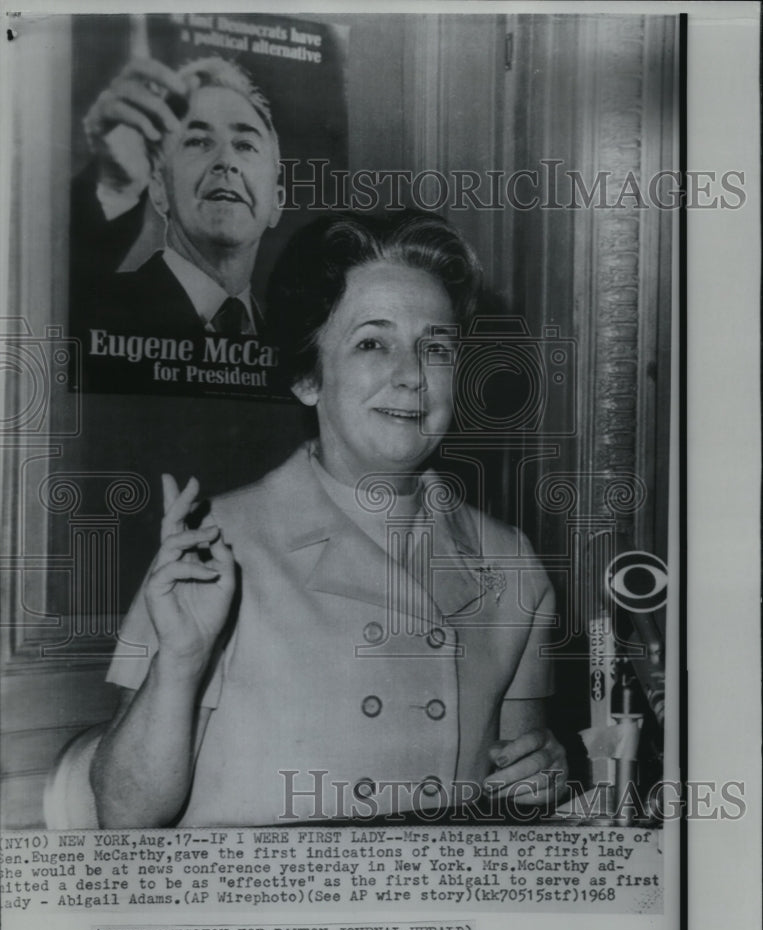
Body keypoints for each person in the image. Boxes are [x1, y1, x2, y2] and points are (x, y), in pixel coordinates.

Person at [88, 211, 568, 827]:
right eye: (373, 342)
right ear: (308, 376)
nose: (412, 374)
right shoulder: (214, 544)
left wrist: (544, 775)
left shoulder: (510, 561)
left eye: (437, 347)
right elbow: (123, 817)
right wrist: (179, 662)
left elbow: (515, 789)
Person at [72, 56, 285, 395]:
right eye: (198, 141)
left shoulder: (296, 347)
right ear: (159, 189)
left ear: (277, 201)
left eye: (245, 145)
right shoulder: (96, 308)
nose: (226, 162)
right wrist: (111, 187)